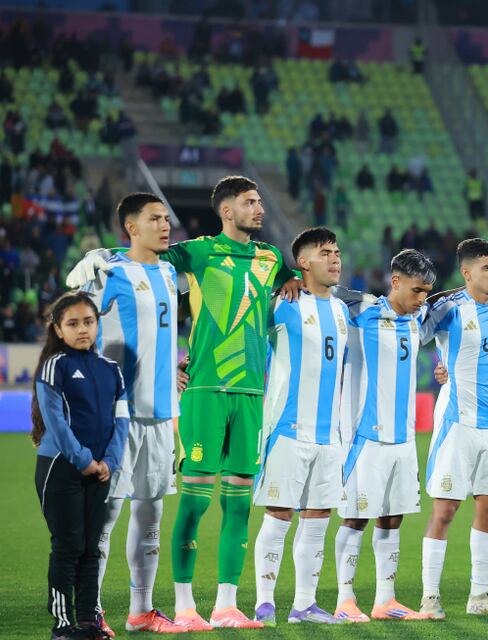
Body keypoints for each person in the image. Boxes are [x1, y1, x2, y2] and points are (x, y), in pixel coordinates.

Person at [66, 175, 302, 630]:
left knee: (221, 505)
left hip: (238, 394)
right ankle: (156, 606)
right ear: (227, 210)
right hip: (192, 396)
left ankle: (215, 606)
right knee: (168, 506)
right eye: (251, 202)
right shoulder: (192, 253)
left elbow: (281, 278)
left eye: (260, 202)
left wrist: (292, 276)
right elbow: (130, 265)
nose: (260, 209)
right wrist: (99, 256)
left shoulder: (271, 258)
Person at [87, 194, 183, 635]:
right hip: (119, 417)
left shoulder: (167, 271)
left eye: (167, 218)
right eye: (155, 219)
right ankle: (88, 612)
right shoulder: (109, 272)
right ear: (131, 228)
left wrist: (174, 370)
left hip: (164, 415)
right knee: (103, 518)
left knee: (151, 516)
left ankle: (140, 611)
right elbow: (71, 323)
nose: (166, 226)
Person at [332, 249, 438, 622]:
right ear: (395, 282)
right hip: (366, 438)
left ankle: (385, 599)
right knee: (356, 517)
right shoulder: (362, 313)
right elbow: (325, 291)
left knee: (393, 517)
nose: (422, 299)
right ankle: (345, 599)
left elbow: (443, 302)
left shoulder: (417, 316)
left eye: (426, 292)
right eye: (416, 290)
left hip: (404, 439)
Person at [252, 228, 349, 627]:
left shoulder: (343, 310)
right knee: (279, 516)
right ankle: (264, 603)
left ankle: (304, 605)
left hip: (329, 437)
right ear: (303, 262)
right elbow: (241, 329)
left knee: (318, 520)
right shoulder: (284, 304)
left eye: (337, 252)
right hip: (289, 431)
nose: (335, 259)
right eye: (325, 253)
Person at [419, 238, 488, 618]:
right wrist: (438, 366)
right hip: (456, 423)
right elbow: (415, 331)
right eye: (487, 268)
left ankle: (480, 596)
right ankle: (430, 597)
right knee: (445, 510)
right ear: (467, 272)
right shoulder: (449, 307)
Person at [32, 292, 130, 640]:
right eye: (73, 323)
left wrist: (109, 462)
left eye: (88, 321)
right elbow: (55, 423)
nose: (82, 329)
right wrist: (86, 461)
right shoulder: (54, 366)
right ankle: (62, 625)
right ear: (58, 329)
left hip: (100, 470)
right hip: (61, 468)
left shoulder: (111, 370)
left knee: (92, 547)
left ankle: (89, 622)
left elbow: (122, 422)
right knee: (68, 545)